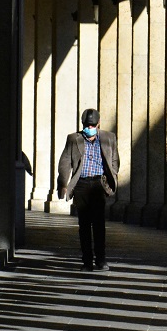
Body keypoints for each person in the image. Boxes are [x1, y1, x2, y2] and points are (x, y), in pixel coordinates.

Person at [57, 108, 120, 271]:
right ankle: (87, 261)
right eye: (86, 125)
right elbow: (65, 161)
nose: (89, 128)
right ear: (82, 124)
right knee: (84, 225)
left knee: (99, 224)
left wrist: (110, 178)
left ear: (98, 124)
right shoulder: (73, 139)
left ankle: (101, 260)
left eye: (92, 125)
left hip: (99, 184)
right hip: (81, 185)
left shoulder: (109, 138)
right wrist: (63, 183)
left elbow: (114, 160)